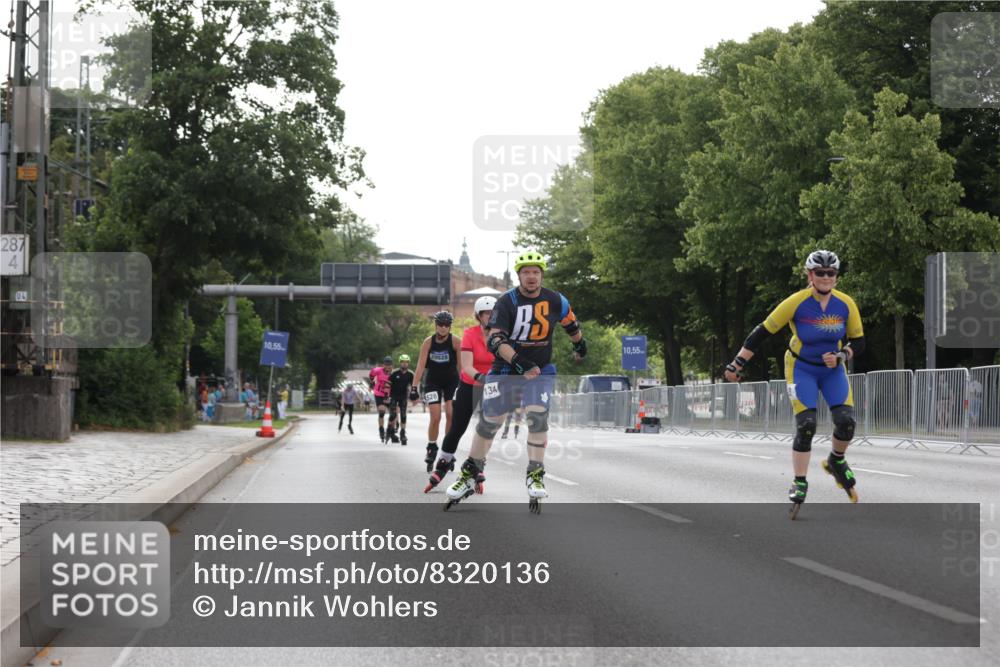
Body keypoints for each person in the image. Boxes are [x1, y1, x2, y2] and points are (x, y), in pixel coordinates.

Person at [724, 250, 865, 515]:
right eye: (820, 273)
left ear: (836, 277)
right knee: (807, 424)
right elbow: (762, 332)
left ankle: (836, 461)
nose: (825, 277)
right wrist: (738, 363)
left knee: (846, 422)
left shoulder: (846, 303)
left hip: (832, 370)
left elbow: (859, 340)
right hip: (802, 369)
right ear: (810, 275)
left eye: (831, 273)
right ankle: (799, 481)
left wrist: (841, 355)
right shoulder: (796, 302)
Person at [445, 251, 586, 513]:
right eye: (526, 272)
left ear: (541, 274)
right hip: (506, 368)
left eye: (535, 272)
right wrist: (519, 362)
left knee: (538, 417)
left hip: (540, 369)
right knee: (490, 423)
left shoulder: (556, 299)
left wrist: (580, 345)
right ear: (519, 275)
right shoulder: (506, 302)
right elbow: (495, 341)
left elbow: (571, 323)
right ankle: (469, 473)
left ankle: (535, 474)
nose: (531, 277)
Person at [425, 295, 496, 491]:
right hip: (470, 384)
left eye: (493, 313)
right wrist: (482, 377)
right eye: (486, 314)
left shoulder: (504, 336)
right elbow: (465, 366)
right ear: (479, 316)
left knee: (486, 429)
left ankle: (478, 464)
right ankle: (442, 463)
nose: (490, 317)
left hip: (494, 388)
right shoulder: (470, 334)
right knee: (457, 427)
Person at [412, 311, 462, 460]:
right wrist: (414, 388)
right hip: (432, 381)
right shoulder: (428, 342)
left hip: (451, 381)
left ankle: (448, 449)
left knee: (451, 415)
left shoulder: (456, 341)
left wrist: (464, 385)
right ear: (436, 325)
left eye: (446, 325)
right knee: (435, 417)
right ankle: (432, 445)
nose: (443, 328)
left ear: (450, 327)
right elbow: (420, 367)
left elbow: (461, 367)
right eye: (440, 324)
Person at [385, 354, 416, 445]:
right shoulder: (394, 373)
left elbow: (413, 386)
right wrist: (386, 396)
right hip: (394, 396)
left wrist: (414, 396)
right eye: (403, 362)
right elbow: (387, 385)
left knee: (403, 415)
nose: (404, 364)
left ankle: (403, 433)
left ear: (408, 363)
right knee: (393, 415)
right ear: (400, 363)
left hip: (403, 397)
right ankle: (389, 429)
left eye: (406, 362)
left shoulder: (411, 374)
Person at [368, 356, 393, 442]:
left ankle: (390, 429)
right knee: (382, 411)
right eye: (386, 365)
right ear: (383, 365)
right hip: (379, 393)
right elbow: (371, 374)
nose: (388, 366)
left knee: (393, 414)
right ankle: (381, 429)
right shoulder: (378, 370)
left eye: (389, 365)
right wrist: (371, 382)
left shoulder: (393, 373)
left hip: (389, 394)